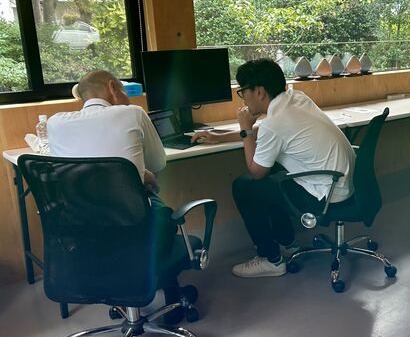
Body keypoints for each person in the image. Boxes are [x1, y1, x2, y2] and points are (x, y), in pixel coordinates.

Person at [192, 58, 355, 278]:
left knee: (245, 186)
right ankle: (288, 243)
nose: (243, 98)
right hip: (341, 184)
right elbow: (268, 132)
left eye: (243, 91)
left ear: (259, 92)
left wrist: (245, 129)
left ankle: (271, 259)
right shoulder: (296, 98)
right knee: (275, 176)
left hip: (326, 196)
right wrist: (219, 137)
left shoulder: (274, 122)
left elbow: (256, 171)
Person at [47, 70, 175, 249]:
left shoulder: (54, 123)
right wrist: (142, 173)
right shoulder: (133, 113)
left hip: (83, 229)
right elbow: (158, 163)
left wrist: (136, 171)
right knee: (154, 198)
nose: (127, 98)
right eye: (124, 91)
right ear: (112, 87)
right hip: (133, 223)